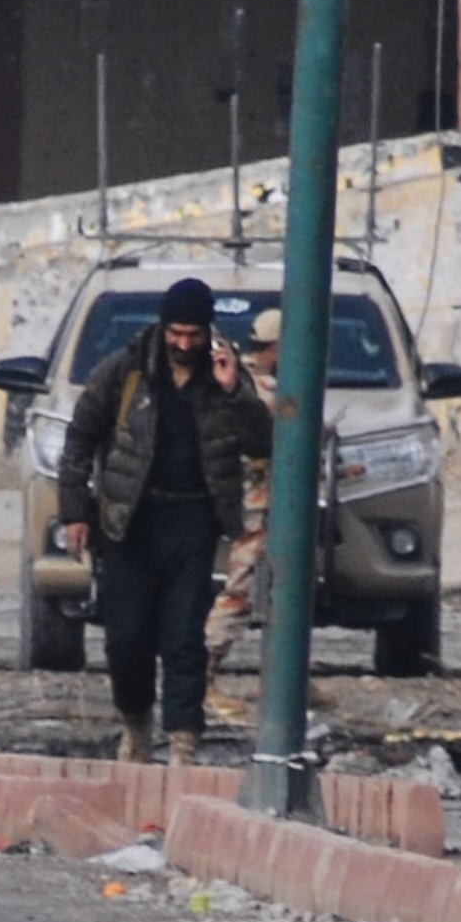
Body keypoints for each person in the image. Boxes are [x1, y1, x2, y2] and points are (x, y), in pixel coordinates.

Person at [58, 277, 272, 765]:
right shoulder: (125, 372)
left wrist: (234, 389)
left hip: (193, 520)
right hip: (128, 521)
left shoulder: (226, 378)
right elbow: (79, 440)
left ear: (206, 330)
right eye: (176, 333)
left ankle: (183, 740)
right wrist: (75, 511)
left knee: (183, 638)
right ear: (163, 326)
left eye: (193, 334)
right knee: (127, 638)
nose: (183, 344)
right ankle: (135, 725)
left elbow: (262, 442)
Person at [204, 308, 285, 720]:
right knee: (239, 593)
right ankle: (202, 679)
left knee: (284, 593)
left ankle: (286, 679)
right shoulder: (260, 387)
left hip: (270, 506)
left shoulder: (249, 380)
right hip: (257, 508)